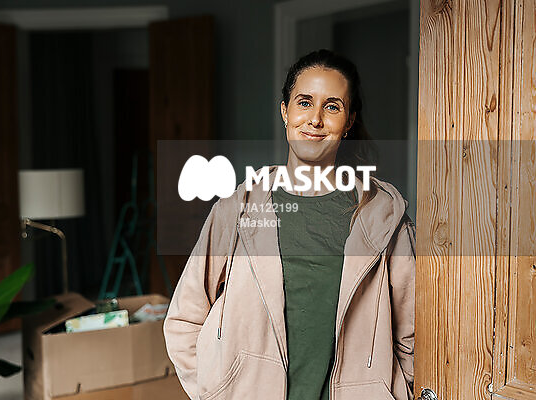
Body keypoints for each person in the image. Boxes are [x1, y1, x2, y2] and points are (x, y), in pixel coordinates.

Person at [164, 49, 415, 400]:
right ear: (285, 111)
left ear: (349, 122)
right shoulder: (237, 210)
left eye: (332, 107)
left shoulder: (384, 218)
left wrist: (392, 391)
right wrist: (216, 390)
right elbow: (184, 318)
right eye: (304, 102)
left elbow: (412, 334)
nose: (315, 119)